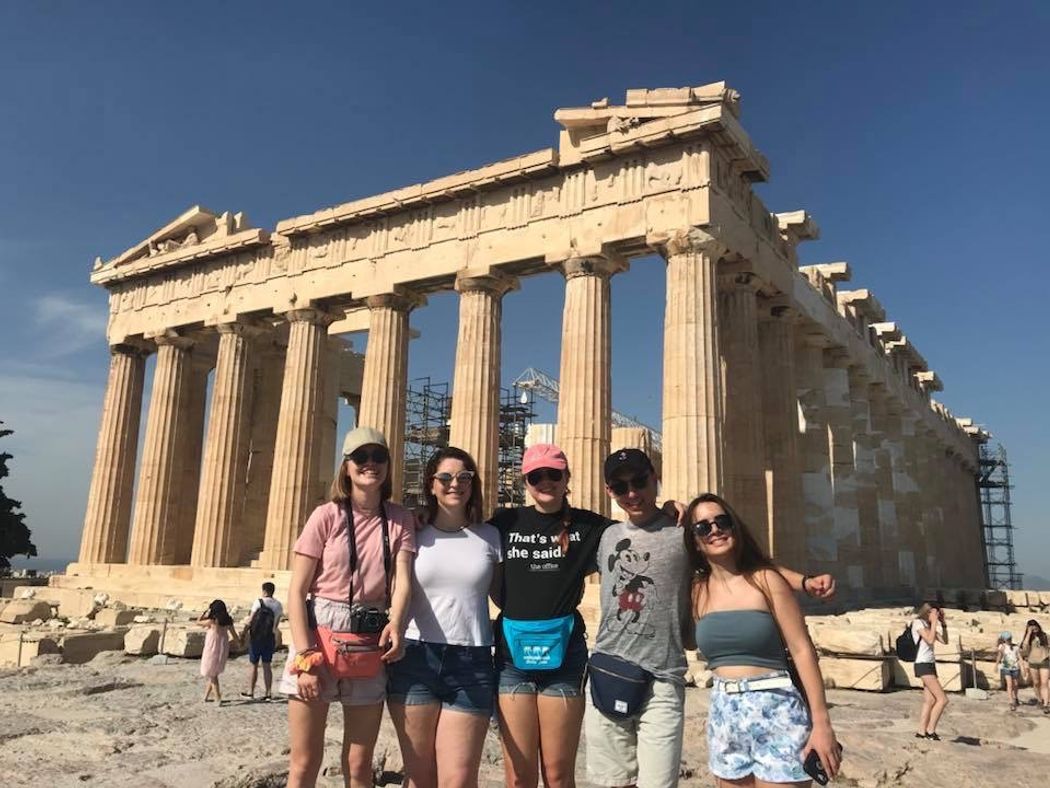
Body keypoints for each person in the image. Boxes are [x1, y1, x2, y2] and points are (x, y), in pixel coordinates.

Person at [281, 427, 417, 788]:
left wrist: (398, 623)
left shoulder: (400, 519)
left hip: (368, 636)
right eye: (361, 457)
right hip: (317, 635)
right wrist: (305, 658)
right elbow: (296, 592)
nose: (370, 464)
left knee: (359, 764)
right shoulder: (325, 516)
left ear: (388, 466)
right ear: (346, 467)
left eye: (378, 457)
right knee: (304, 762)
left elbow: (403, 578)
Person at [685, 492, 840, 786]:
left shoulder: (767, 581)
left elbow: (802, 650)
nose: (714, 530)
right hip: (723, 713)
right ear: (694, 540)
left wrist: (822, 724)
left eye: (722, 521)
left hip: (776, 707)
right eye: (703, 527)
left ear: (735, 526)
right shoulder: (697, 591)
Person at [489, 443, 607, 788]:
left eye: (553, 474)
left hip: (565, 656)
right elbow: (459, 532)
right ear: (525, 481)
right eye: (536, 475)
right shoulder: (504, 523)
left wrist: (673, 511)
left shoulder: (589, 526)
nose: (545, 481)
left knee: (558, 774)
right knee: (518, 777)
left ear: (566, 477)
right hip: (512, 658)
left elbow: (638, 529)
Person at [387, 447, 501, 787]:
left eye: (464, 477)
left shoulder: (491, 536)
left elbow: (507, 595)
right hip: (415, 657)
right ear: (431, 485)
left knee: (460, 780)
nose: (456, 484)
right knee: (420, 778)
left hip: (472, 659)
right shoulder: (411, 532)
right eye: (446, 477)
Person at [911, 602, 949, 739]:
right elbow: (930, 639)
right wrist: (933, 623)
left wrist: (943, 624)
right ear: (928, 612)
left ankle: (921, 731)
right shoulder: (918, 623)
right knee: (943, 699)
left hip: (930, 664)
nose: (936, 615)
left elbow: (945, 641)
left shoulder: (928, 625)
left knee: (929, 700)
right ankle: (930, 730)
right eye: (934, 612)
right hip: (922, 664)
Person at [241, 581, 284, 701]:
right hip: (269, 637)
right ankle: (268, 693)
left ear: (264, 591)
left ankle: (251, 691)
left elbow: (251, 619)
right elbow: (276, 625)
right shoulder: (278, 605)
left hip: (256, 637)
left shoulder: (258, 602)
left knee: (253, 664)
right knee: (267, 665)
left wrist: (244, 633)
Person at [199, 599, 239, 706]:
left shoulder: (212, 621)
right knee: (213, 673)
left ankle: (218, 698)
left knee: (212, 674)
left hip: (212, 648)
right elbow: (234, 635)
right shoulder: (228, 621)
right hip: (222, 647)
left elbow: (198, 622)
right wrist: (239, 643)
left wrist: (204, 613)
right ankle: (205, 697)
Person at [1020, 620, 1050, 712]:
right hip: (1033, 662)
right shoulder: (1028, 638)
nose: (1034, 628)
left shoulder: (1045, 636)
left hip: (1044, 661)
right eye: (1031, 626)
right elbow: (1024, 649)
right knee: (1036, 683)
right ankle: (1040, 700)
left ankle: (1046, 704)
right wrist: (1028, 634)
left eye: (1035, 625)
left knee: (1044, 683)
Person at [997, 632, 1022, 711]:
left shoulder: (1015, 647)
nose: (1009, 640)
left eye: (1010, 639)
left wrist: (1023, 667)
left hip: (1015, 668)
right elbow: (999, 656)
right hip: (1006, 668)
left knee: (1016, 684)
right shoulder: (1002, 647)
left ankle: (1015, 697)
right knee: (1009, 684)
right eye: (1007, 639)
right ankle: (1011, 702)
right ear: (1004, 640)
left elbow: (1019, 657)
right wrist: (996, 664)